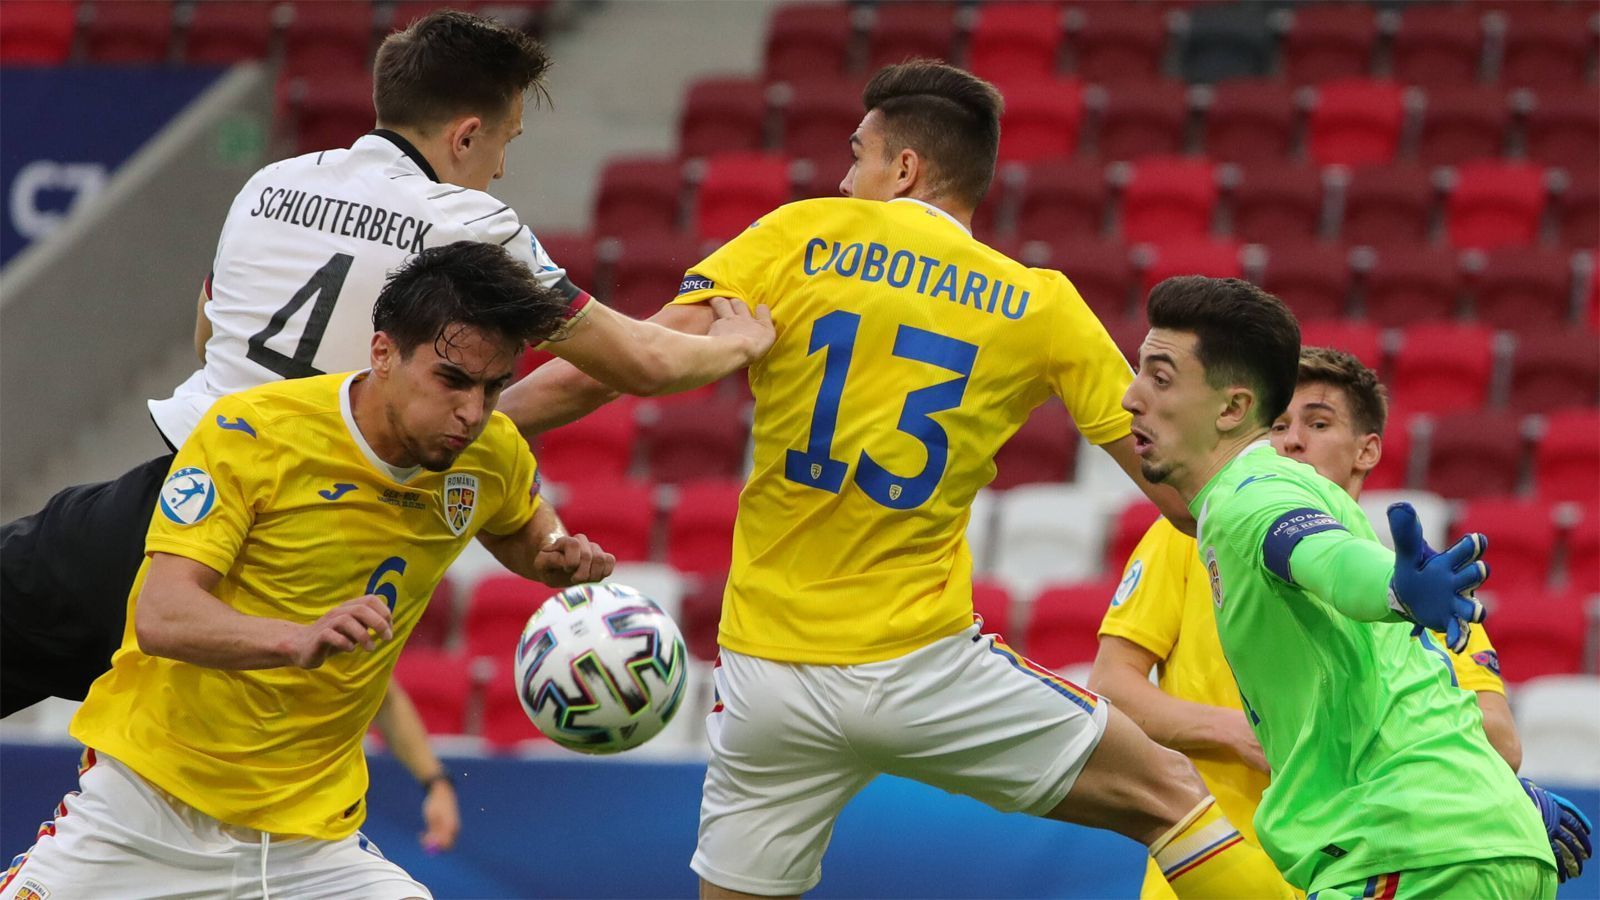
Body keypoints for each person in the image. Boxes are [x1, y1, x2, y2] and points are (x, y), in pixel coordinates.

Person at [501, 60, 1292, 899]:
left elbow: (610, 366)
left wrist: (482, 425)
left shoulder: (801, 235)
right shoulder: (1040, 305)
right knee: (1171, 799)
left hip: (767, 677)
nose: (846, 177)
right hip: (924, 669)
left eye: (858, 154)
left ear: (904, 167)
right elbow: (1182, 500)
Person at [0, 8, 772, 717]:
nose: (500, 170)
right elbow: (639, 360)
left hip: (160, 506)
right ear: (467, 136)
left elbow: (210, 336)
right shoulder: (473, 225)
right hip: (288, 563)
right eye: (505, 143)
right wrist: (737, 341)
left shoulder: (273, 182)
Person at [0, 242, 617, 900]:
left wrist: (554, 552)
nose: (475, 411)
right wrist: (293, 638)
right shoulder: (253, 433)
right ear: (383, 354)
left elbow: (522, 520)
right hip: (148, 808)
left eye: (494, 387)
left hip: (307, 843)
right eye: (453, 380)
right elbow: (161, 614)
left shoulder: (489, 453)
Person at [1118, 275, 1584, 897]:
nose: (1129, 396)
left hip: (1403, 852)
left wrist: (1392, 590)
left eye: (1161, 377)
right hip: (1460, 841)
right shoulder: (1313, 507)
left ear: (1232, 409)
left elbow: (1317, 554)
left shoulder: (1244, 501)